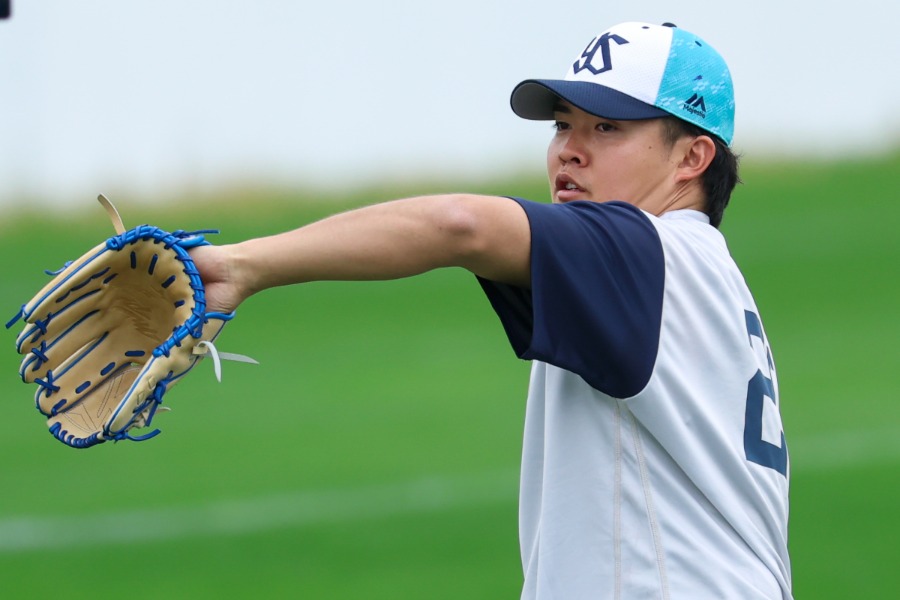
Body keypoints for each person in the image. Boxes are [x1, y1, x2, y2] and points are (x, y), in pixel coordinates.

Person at [191, 21, 792, 600]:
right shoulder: (692, 271)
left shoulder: (643, 254)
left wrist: (240, 267)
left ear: (692, 157)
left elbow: (461, 226)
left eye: (607, 127)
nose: (569, 151)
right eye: (563, 125)